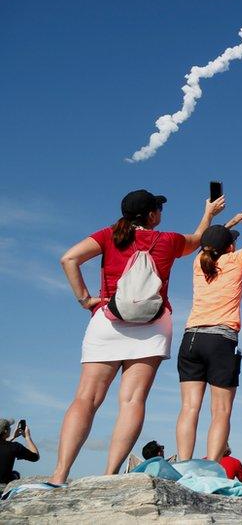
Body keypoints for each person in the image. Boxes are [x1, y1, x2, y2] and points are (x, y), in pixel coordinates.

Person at [52, 190, 224, 485]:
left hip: (108, 320)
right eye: (159, 208)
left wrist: (85, 299)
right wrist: (209, 213)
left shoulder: (108, 235)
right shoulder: (168, 240)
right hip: (152, 326)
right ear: (152, 215)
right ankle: (109, 475)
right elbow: (198, 239)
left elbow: (69, 258)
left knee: (86, 398)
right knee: (132, 401)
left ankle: (59, 474)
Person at [175, 213, 242, 461]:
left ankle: (183, 462)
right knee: (220, 411)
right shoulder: (236, 259)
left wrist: (226, 225)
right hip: (221, 340)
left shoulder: (198, 262)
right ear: (230, 247)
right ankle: (211, 465)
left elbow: (208, 242)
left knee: (189, 408)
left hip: (191, 338)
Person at [0, 419, 39, 484]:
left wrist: (13, 437)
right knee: (15, 474)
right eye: (9, 427)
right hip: (2, 488)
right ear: (6, 431)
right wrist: (27, 437)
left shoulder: (11, 447)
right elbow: (35, 457)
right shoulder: (14, 447)